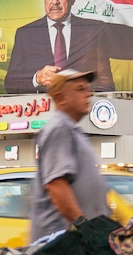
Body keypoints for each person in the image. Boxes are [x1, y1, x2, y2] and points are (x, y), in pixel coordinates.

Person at [5, 0, 133, 94]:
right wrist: (37, 78)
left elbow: (106, 85)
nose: (55, 1)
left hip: (81, 112)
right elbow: (10, 84)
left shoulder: (92, 31)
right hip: (40, 112)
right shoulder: (26, 34)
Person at [30, 69, 111, 240]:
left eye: (89, 89)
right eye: (80, 89)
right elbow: (56, 185)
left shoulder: (71, 130)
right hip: (60, 243)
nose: (89, 94)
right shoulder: (59, 129)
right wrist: (84, 227)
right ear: (61, 98)